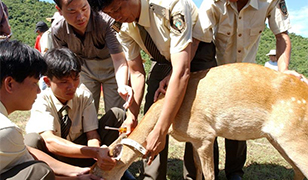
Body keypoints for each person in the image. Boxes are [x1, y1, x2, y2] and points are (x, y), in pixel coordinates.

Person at [89, 0, 217, 179]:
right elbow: (136, 72)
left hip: (196, 53)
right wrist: (131, 116)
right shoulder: (122, 25)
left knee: (195, 117)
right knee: (150, 112)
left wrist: (161, 130)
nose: (117, 16)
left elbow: (182, 72)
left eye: (118, 9)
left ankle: (195, 175)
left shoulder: (171, 5)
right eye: (111, 14)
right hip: (162, 58)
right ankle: (152, 176)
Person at [197, 0, 307, 179]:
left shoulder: (271, 2)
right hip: (214, 72)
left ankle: (234, 172)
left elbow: (281, 35)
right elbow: (197, 39)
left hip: (246, 73)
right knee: (206, 126)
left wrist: (283, 70)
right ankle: (209, 172)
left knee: (240, 121)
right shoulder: (212, 3)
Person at [0, 40, 102, 180]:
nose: (37, 90)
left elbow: (29, 153)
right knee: (39, 170)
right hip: (57, 154)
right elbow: (44, 148)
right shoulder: (6, 131)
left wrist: (79, 174)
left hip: (77, 158)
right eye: (35, 83)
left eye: (75, 79)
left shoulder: (83, 95)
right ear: (10, 84)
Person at [52, 0, 130, 113]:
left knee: (116, 112)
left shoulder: (106, 22)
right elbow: (65, 64)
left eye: (84, 9)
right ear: (59, 10)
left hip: (113, 68)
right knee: (86, 111)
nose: (80, 17)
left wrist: (122, 86)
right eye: (72, 11)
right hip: (84, 70)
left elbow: (119, 59)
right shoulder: (58, 30)